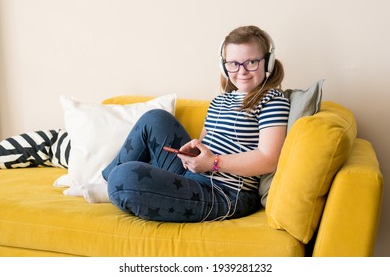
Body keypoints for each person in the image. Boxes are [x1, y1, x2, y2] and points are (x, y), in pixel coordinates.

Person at [102, 25, 290, 222]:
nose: (241, 71)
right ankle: (102, 181)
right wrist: (192, 155)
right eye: (233, 63)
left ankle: (111, 184)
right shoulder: (220, 101)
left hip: (226, 193)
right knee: (155, 118)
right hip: (195, 177)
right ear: (223, 66)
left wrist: (213, 162)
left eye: (251, 62)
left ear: (267, 63)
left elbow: (269, 158)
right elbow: (204, 143)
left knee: (125, 177)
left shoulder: (272, 100)